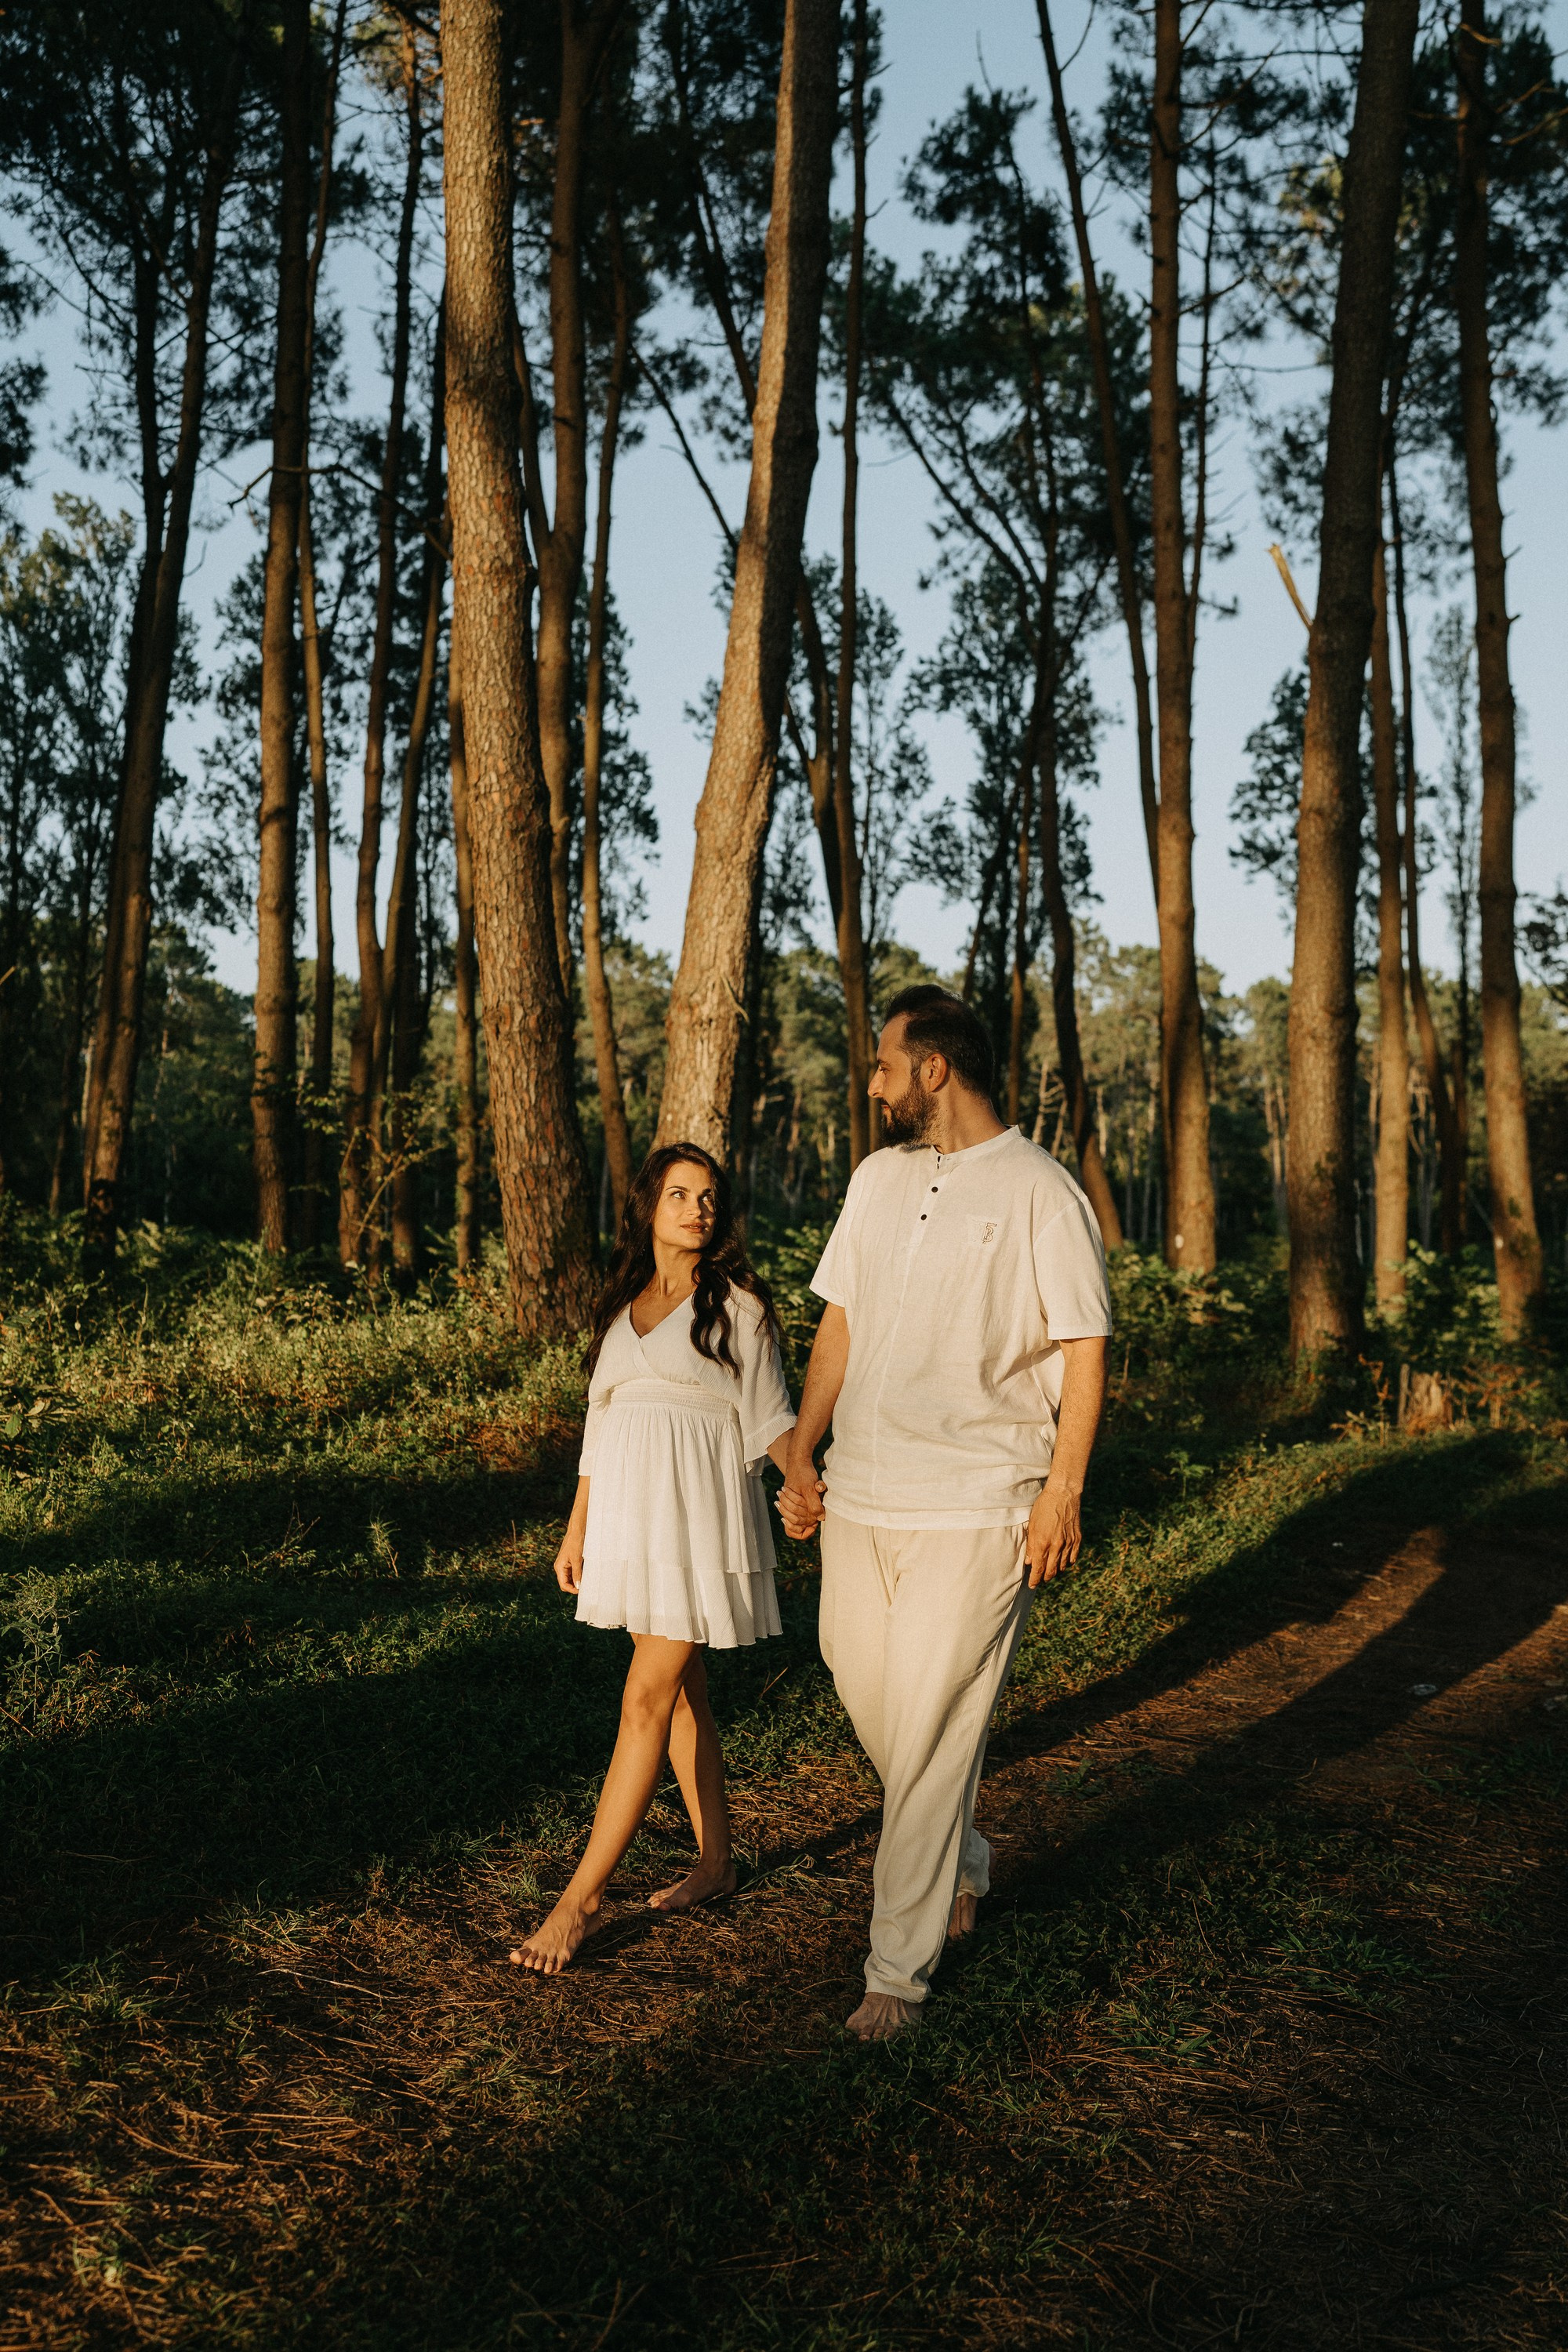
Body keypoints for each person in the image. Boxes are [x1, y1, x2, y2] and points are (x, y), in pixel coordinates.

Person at [776, 985, 1111, 2041]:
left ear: (935, 1070)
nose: (872, 1082)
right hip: (864, 1494)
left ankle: (897, 1975)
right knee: (866, 1690)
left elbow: (1084, 1350)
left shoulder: (1039, 1192)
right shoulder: (878, 1181)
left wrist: (1063, 1489)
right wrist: (801, 1442)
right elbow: (842, 1319)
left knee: (929, 1734)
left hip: (980, 1502)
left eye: (883, 1064)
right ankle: (962, 1852)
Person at [511, 1144, 796, 1975]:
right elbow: (600, 1430)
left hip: (698, 1516)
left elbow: (770, 1415)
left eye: (709, 1197)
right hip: (633, 1518)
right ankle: (715, 1863)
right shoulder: (621, 1306)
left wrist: (808, 1480)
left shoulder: (738, 1307)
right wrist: (577, 1530)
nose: (697, 1209)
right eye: (679, 1194)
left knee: (645, 1697)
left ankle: (579, 1904)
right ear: (647, 1206)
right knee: (679, 1697)